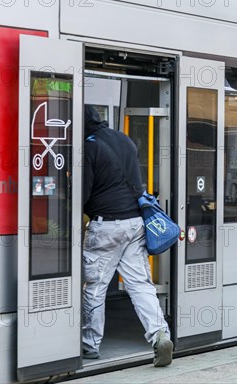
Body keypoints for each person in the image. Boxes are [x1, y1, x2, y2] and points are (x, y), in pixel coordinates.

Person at [82, 105, 173, 367]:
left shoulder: (89, 147)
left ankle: (90, 345)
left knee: (95, 287)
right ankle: (159, 336)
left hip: (107, 226)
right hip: (135, 223)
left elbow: (84, 192)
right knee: (140, 284)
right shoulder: (124, 139)